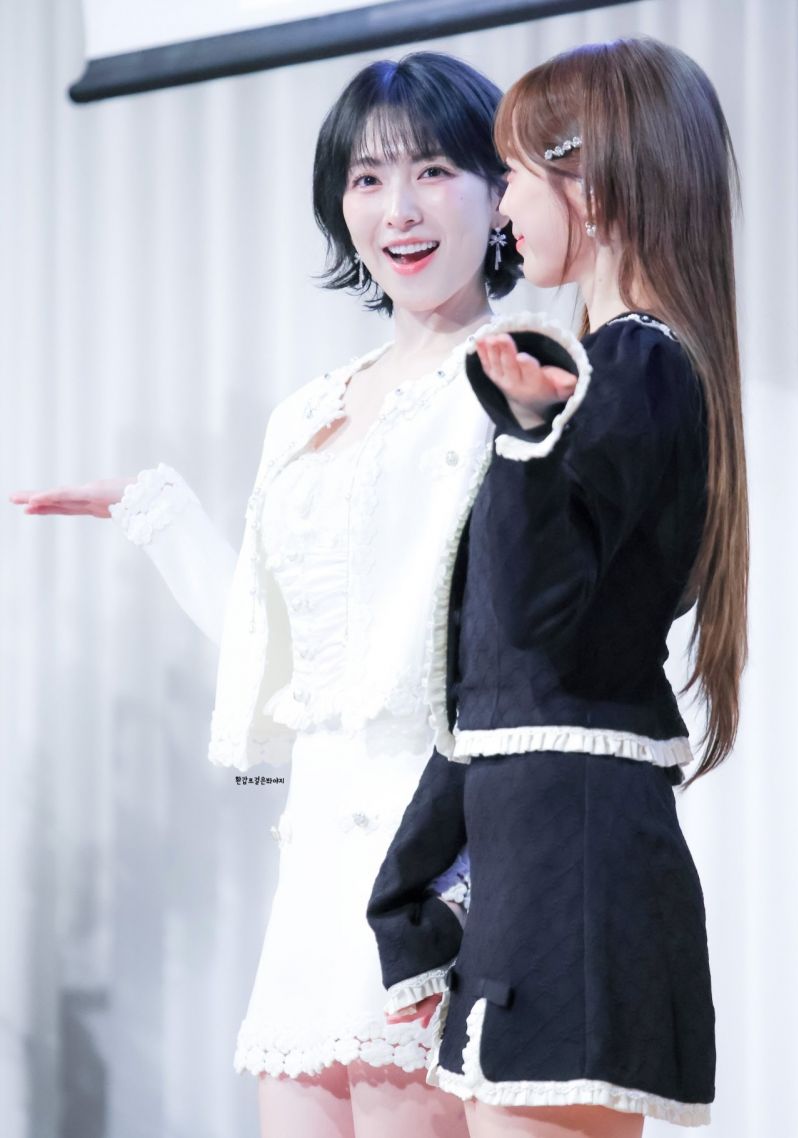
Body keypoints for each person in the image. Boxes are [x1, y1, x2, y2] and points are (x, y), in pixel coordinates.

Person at [11, 52, 525, 1138]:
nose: (398, 209)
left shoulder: (520, 383)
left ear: (499, 194)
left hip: (444, 860)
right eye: (367, 178)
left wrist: (473, 881)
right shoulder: (308, 411)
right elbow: (273, 645)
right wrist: (156, 516)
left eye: (432, 171)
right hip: (316, 878)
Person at [367, 37, 749, 1138]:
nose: (500, 211)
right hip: (547, 857)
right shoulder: (624, 365)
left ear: (596, 182)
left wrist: (530, 438)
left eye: (516, 177)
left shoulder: (635, 367)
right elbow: (505, 662)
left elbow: (533, 620)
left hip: (573, 871)